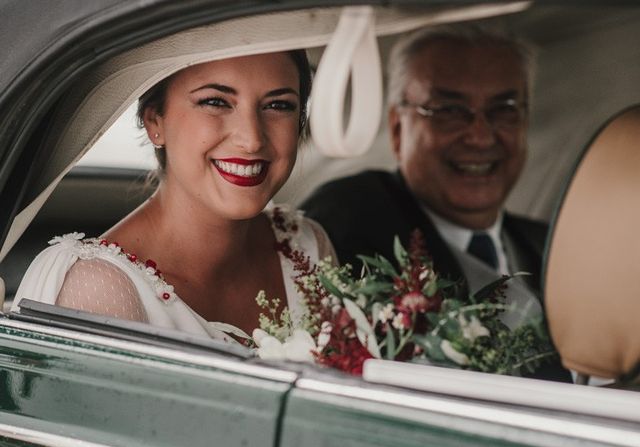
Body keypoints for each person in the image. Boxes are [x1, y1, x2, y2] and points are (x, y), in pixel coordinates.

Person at [301, 26, 571, 382]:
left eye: (503, 110)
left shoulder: (555, 249)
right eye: (449, 110)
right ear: (398, 129)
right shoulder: (350, 219)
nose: (480, 136)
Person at [12, 51, 335, 343]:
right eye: (215, 102)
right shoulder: (99, 288)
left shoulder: (304, 247)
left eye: (278, 106)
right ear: (155, 121)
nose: (251, 139)